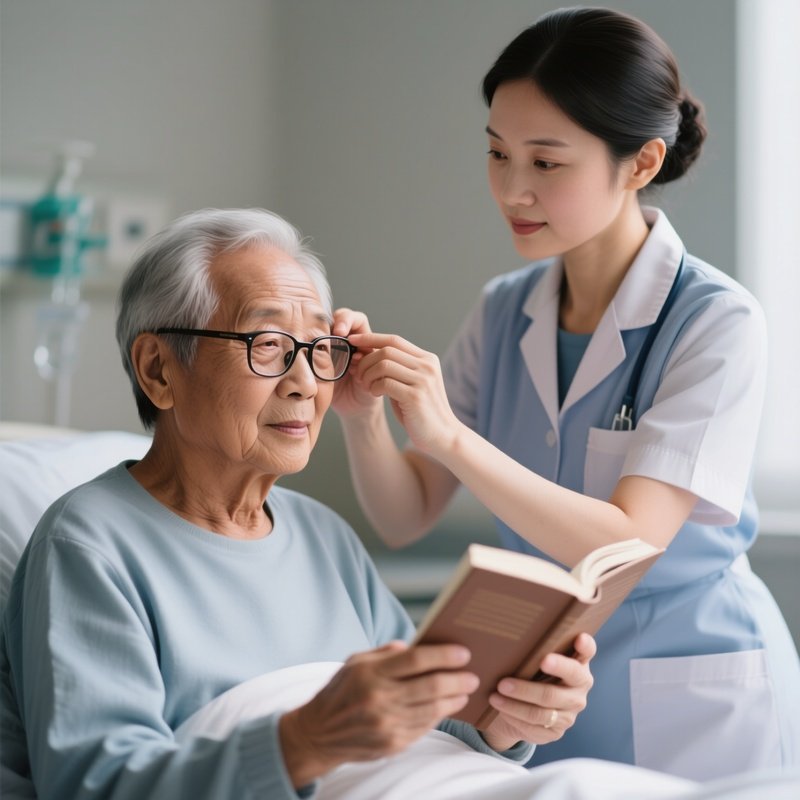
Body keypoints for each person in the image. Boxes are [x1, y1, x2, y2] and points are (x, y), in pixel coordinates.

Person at [331, 6, 800, 781]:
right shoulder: (504, 308)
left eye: (547, 163)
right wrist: (364, 420)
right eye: (497, 153)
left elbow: (628, 542)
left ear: (642, 163)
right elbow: (404, 515)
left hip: (696, 704)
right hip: (545, 708)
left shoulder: (715, 321)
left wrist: (447, 434)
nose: (512, 189)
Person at [0, 208, 595, 800]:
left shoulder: (322, 534)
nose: (306, 381)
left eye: (318, 348)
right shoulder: (87, 546)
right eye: (267, 344)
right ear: (159, 370)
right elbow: (96, 786)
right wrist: (303, 741)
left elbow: (418, 720)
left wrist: (499, 723)